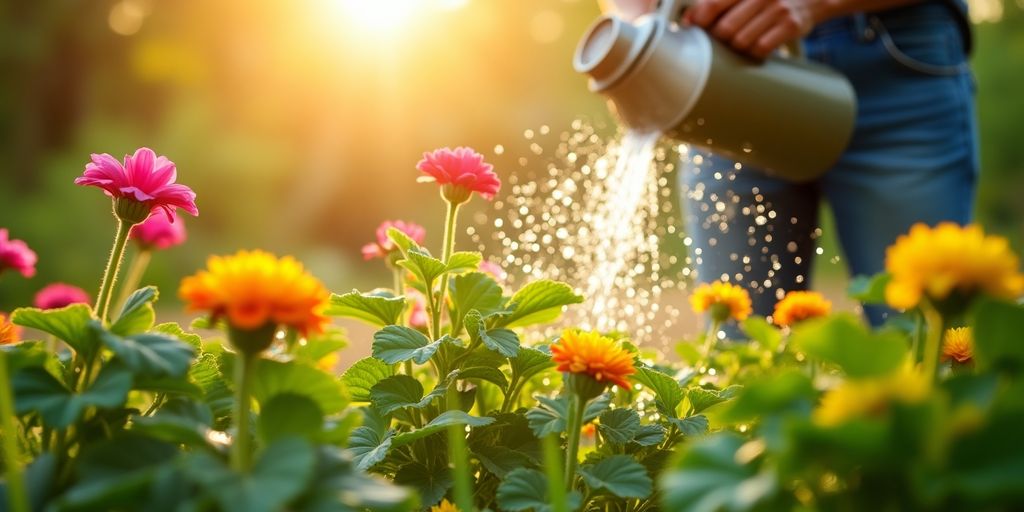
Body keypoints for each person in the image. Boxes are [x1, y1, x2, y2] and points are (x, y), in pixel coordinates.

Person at [601, 0, 977, 327]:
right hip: (723, 66)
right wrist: (642, 25)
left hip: (896, 61)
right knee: (740, 357)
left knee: (921, 335)